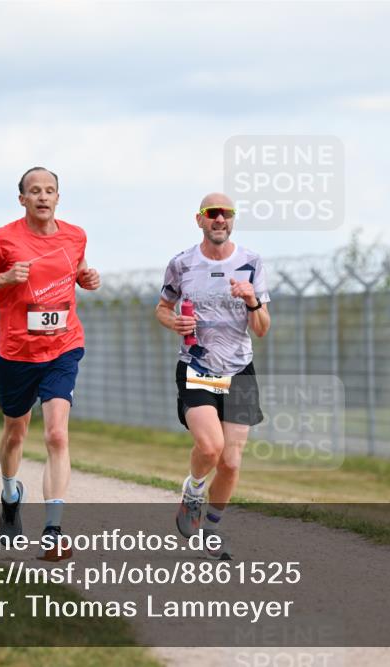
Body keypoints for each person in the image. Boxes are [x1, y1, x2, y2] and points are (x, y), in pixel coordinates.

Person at [0, 166, 100, 562]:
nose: (42, 196)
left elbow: (77, 272)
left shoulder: (76, 235)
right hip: (17, 353)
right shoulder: (2, 239)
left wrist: (87, 279)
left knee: (56, 435)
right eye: (34, 191)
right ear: (21, 199)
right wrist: (2, 278)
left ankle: (53, 531)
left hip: (63, 348)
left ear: (58, 197)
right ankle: (9, 493)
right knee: (15, 435)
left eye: (49, 190)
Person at [154, 192, 271, 560]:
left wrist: (252, 300)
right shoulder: (182, 264)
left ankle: (212, 529)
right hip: (197, 366)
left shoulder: (251, 262)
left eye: (227, 214)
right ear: (200, 219)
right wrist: (174, 321)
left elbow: (263, 328)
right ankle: (193, 491)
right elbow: (161, 307)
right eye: (212, 213)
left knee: (232, 461)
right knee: (210, 447)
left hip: (238, 370)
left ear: (232, 220)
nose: (220, 219)